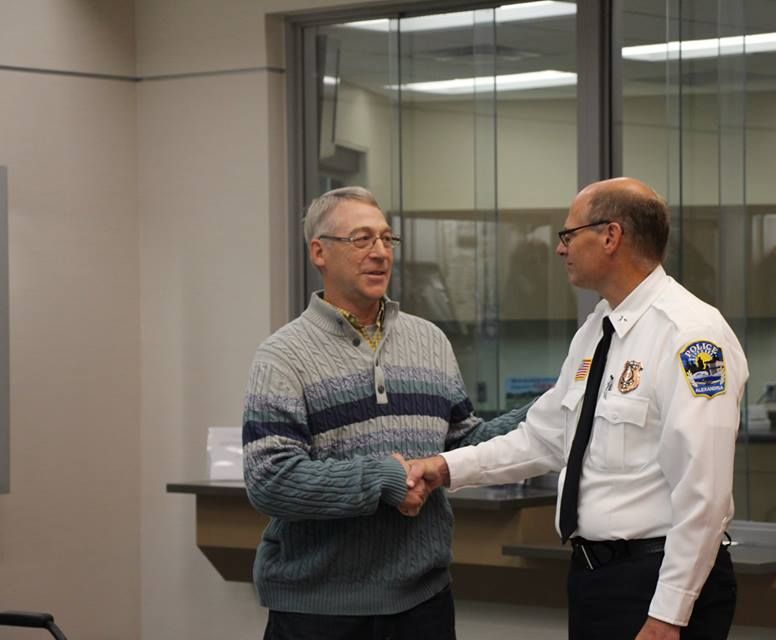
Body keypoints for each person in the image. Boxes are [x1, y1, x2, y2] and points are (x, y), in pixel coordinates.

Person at [415, 177, 748, 640]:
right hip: (597, 580)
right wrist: (444, 467)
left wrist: (669, 614)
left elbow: (704, 492)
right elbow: (544, 438)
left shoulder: (691, 335)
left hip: (657, 583)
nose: (559, 249)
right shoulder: (598, 329)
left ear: (611, 236)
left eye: (569, 235)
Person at [242, 186, 527, 640]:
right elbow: (270, 481)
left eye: (387, 240)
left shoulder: (430, 341)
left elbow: (463, 444)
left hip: (423, 605)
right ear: (320, 252)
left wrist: (551, 411)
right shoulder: (282, 356)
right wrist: (383, 480)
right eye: (361, 240)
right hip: (318, 613)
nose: (379, 253)